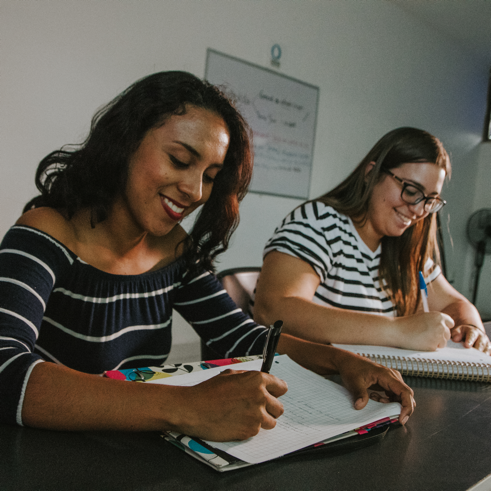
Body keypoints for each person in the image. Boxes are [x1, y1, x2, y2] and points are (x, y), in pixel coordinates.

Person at [0, 72, 414, 440]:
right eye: (180, 160)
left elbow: (238, 335)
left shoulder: (175, 252)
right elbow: (6, 368)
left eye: (211, 177)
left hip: (127, 449)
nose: (195, 191)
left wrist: (341, 360)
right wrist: (185, 407)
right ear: (124, 144)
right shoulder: (45, 233)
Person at [254, 127, 490, 354]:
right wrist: (398, 330)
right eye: (410, 190)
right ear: (371, 174)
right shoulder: (319, 222)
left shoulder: (403, 247)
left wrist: (471, 328)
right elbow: (273, 309)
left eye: (429, 200)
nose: (418, 210)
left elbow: (458, 305)